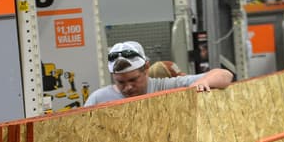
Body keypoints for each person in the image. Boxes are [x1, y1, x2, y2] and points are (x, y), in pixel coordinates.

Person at [84, 41, 232, 106]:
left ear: (146, 68)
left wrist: (202, 82)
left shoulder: (166, 87)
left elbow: (225, 75)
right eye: (120, 82)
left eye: (133, 80)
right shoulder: (98, 99)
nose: (128, 87)